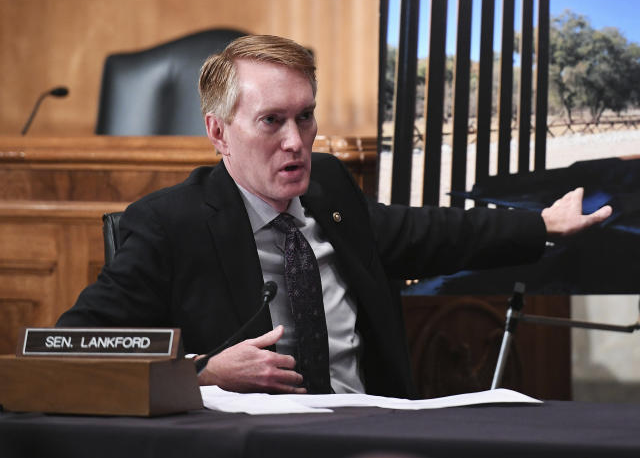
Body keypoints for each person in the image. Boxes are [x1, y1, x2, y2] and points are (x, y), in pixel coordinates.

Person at [58, 35, 611, 397]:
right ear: (218, 132)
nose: (296, 142)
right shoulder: (167, 224)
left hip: (373, 432)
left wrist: (542, 225)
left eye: (305, 117)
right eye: (271, 121)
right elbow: (72, 349)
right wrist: (201, 373)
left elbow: (428, 234)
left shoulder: (329, 189)